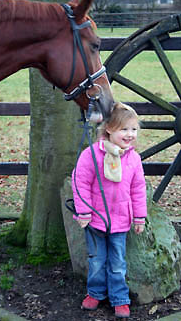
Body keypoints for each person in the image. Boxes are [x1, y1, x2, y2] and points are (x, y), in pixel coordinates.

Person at [72, 102, 147, 319]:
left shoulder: (133, 159)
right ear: (109, 129)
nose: (130, 134)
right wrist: (83, 212)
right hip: (94, 220)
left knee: (117, 263)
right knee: (96, 260)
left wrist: (139, 217)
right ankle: (95, 292)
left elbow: (138, 189)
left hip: (121, 221)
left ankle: (120, 298)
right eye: (124, 129)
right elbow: (80, 182)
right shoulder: (91, 154)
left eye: (134, 129)